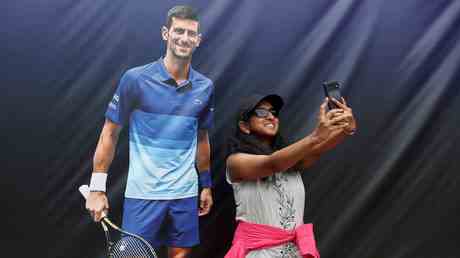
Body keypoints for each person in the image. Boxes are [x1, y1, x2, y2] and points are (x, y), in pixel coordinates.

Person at [85, 5, 214, 258]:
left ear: (198, 40)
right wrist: (97, 188)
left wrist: (206, 185)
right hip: (142, 195)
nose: (184, 38)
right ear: (165, 33)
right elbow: (109, 134)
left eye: (191, 34)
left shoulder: (205, 87)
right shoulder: (134, 79)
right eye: (178, 31)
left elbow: (201, 137)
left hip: (185, 195)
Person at [224, 94, 356, 258]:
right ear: (244, 126)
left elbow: (319, 148)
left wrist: (347, 128)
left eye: (273, 112)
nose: (271, 117)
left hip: (295, 253)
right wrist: (315, 136)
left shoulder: (291, 162)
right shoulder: (236, 162)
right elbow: (272, 164)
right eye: (261, 112)